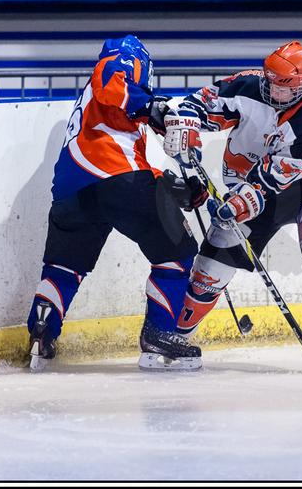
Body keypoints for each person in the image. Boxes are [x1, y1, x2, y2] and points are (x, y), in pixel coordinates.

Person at [161, 41, 302, 372]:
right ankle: (177, 337)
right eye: (270, 80)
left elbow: (271, 181)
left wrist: (237, 202)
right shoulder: (249, 84)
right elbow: (202, 103)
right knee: (210, 269)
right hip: (250, 183)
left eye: (282, 86)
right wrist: (185, 124)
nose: (271, 88)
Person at [27, 34, 208, 372]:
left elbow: (131, 164)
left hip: (71, 192)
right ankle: (159, 338)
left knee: (65, 267)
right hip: (113, 178)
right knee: (177, 254)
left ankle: (41, 336)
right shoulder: (125, 56)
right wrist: (152, 106)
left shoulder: (97, 116)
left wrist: (173, 185)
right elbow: (112, 83)